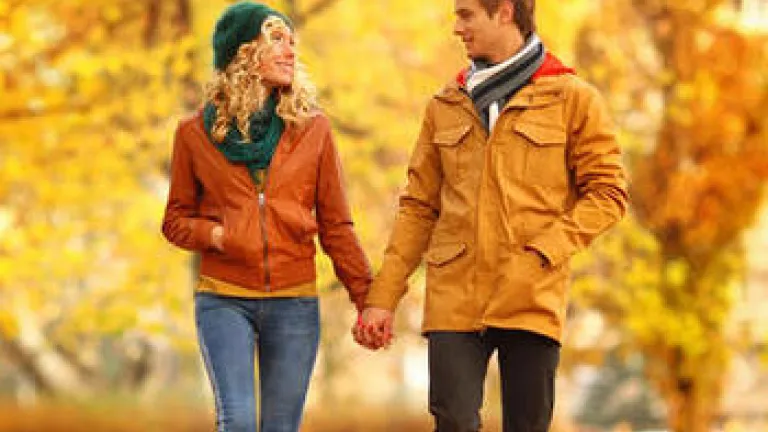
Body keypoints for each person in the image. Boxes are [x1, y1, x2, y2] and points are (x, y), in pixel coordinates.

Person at [354, 0, 629, 431]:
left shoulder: (572, 99)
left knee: (527, 423)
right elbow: (418, 207)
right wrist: (382, 298)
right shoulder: (445, 104)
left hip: (531, 290)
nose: (456, 28)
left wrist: (545, 250)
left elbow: (608, 194)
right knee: (453, 420)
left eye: (466, 15)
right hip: (454, 292)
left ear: (504, 12)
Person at [161, 3, 371, 431]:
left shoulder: (313, 130)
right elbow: (175, 220)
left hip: (295, 301)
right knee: (237, 422)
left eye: (292, 41)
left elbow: (336, 226)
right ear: (242, 52)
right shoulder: (193, 134)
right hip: (223, 298)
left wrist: (367, 299)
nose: (290, 51)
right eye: (276, 39)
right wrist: (217, 235)